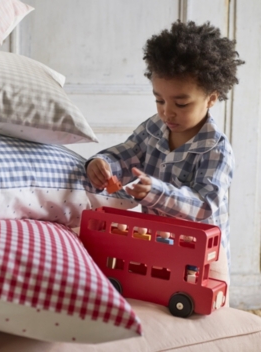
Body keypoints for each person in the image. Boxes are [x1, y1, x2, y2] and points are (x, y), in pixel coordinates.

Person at [86, 20, 244, 271]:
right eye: (159, 100)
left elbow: (204, 206)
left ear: (211, 98)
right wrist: (104, 164)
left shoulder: (216, 149)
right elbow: (128, 154)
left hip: (201, 258)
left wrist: (155, 191)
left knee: (195, 306)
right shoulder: (153, 128)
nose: (167, 112)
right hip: (156, 244)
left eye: (181, 104)